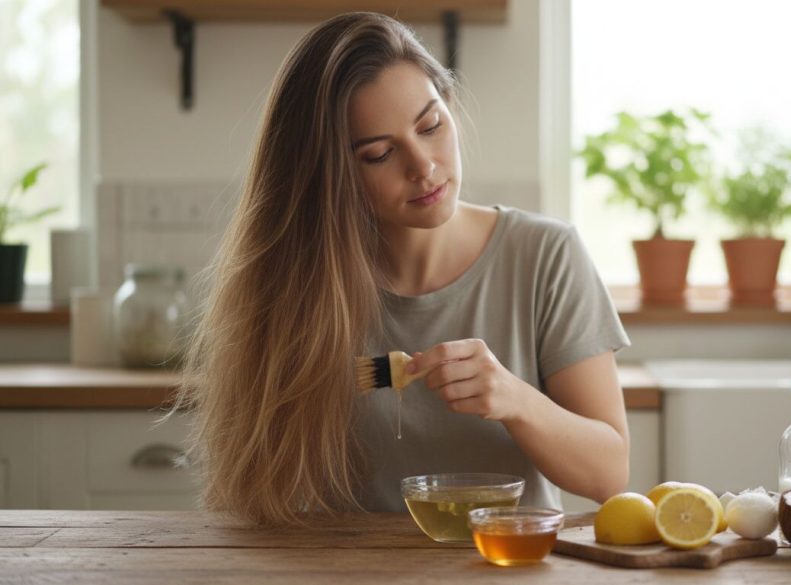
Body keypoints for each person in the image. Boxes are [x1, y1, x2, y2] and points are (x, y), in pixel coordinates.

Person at [178, 12, 630, 526]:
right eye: (379, 154)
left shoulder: (546, 255)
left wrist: (516, 399)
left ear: (451, 106)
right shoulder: (297, 285)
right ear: (332, 175)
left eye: (431, 126)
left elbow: (608, 475)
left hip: (504, 564)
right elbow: (253, 485)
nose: (423, 166)